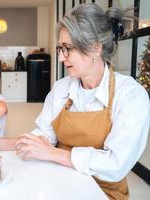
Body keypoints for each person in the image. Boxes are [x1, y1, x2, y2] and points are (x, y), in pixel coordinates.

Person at [15, 3, 150, 200]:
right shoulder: (61, 88)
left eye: (68, 48)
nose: (61, 57)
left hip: (103, 192)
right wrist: (34, 143)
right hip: (58, 181)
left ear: (96, 48)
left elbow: (115, 165)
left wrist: (53, 154)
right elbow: (45, 134)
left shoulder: (131, 95)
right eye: (60, 48)